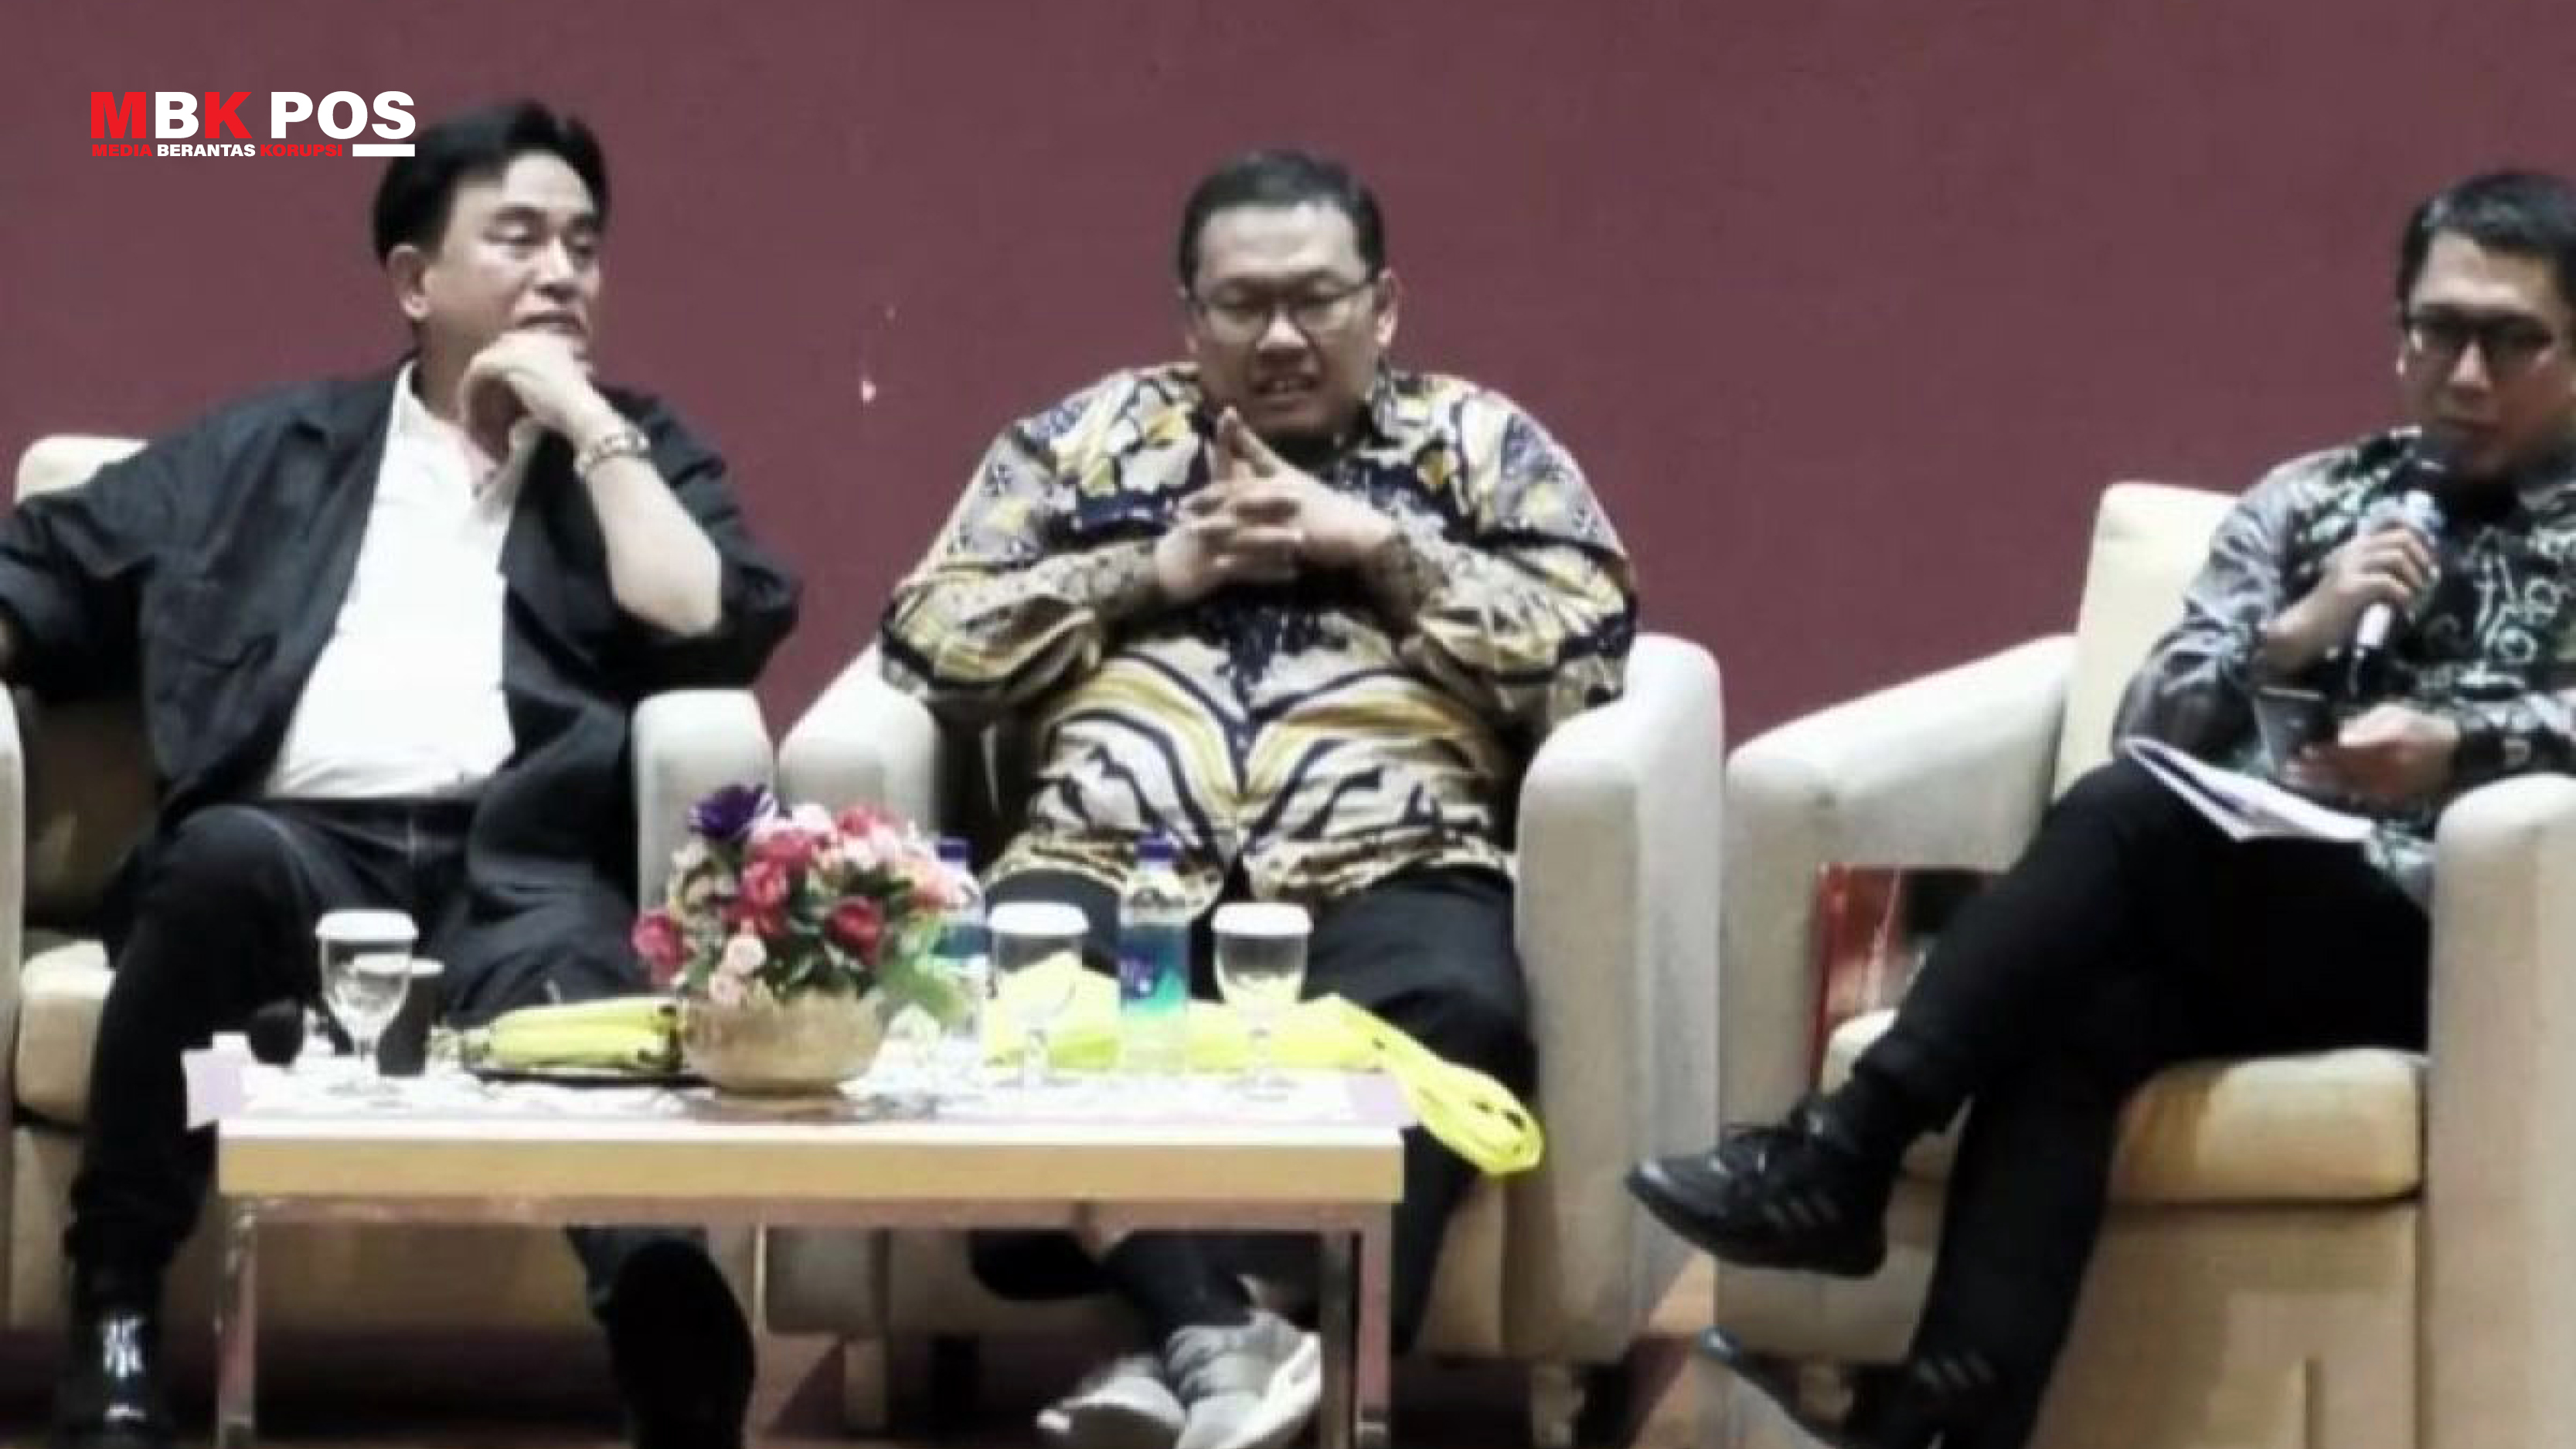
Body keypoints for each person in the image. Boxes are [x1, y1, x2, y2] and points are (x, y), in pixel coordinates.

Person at [1628, 168, 2576, 1449]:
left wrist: (2463, 743)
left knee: (2123, 816)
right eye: (2438, 330)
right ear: (2395, 333)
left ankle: (1841, 1153)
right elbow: (2149, 722)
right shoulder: (2311, 501)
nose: (2464, 374)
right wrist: (2296, 632)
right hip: (2257, 910)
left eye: (2510, 341)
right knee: (2077, 1016)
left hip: (2474, 946)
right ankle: (1951, 1418)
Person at [5, 100, 800, 1449]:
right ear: (416, 281)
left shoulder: (634, 452)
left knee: (581, 996)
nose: (562, 273)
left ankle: (667, 1329)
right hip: (295, 853)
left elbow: (705, 612)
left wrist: (584, 424)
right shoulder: (267, 455)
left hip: (518, 862)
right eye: (520, 238)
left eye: (584, 246)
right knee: (212, 877)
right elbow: (44, 573)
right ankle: (118, 1297)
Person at [880, 148, 1636, 1449]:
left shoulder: (1480, 444)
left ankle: (1179, 1341)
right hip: (1107, 861)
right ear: (1190, 317)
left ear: (1382, 306)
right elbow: (924, 641)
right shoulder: (1080, 444)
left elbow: (1590, 650)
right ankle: (1241, 1344)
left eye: (1315, 299)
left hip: (1389, 859)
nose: (1281, 337)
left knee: (1458, 1011)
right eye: (1241, 305)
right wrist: (1147, 572)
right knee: (1000, 993)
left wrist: (1379, 549)